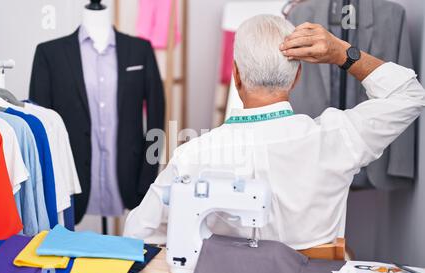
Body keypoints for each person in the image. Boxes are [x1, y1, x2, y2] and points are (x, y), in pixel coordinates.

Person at [123, 15, 425, 250]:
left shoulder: (192, 155)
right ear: (297, 77)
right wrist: (342, 53)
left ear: (236, 76)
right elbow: (409, 95)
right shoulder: (336, 138)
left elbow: (138, 232)